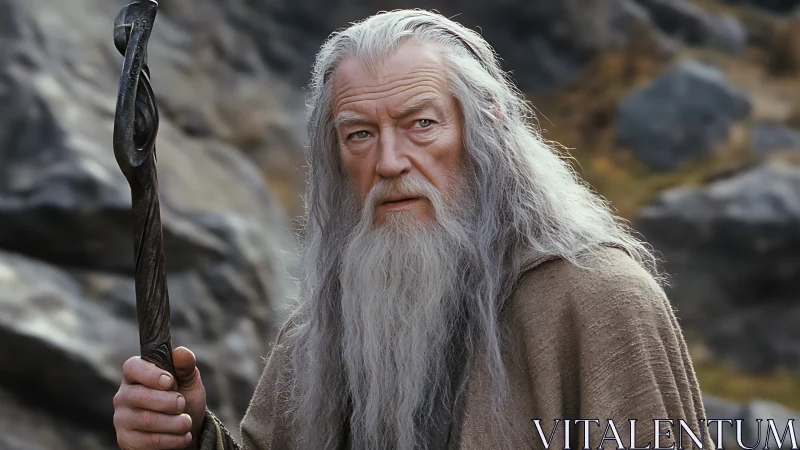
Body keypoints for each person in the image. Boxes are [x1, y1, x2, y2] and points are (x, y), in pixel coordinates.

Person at [113, 9, 714, 450]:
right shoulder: (326, 322)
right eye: (360, 134)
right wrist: (189, 439)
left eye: (420, 124)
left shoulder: (597, 300)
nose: (390, 161)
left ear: (488, 131)